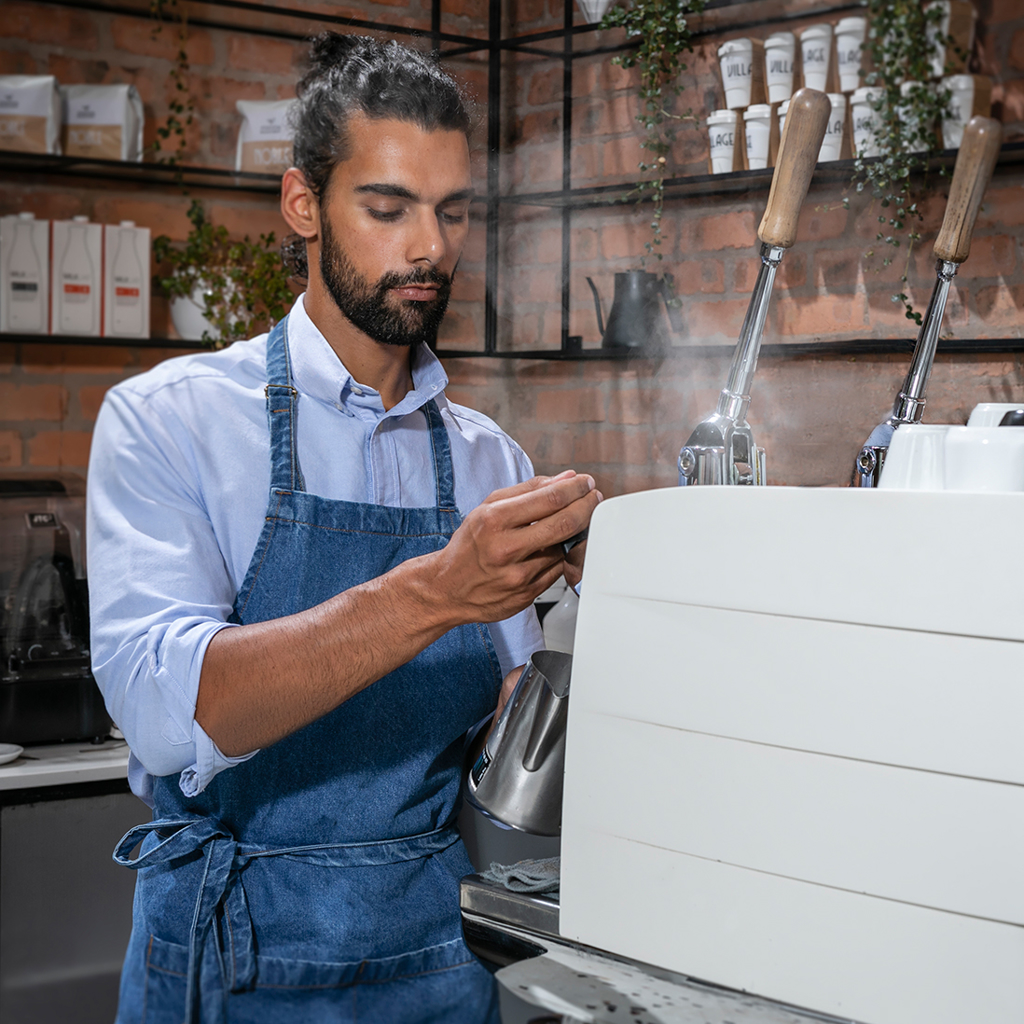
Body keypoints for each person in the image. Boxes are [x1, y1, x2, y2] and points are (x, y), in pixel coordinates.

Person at [87, 33, 600, 1024]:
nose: (430, 247)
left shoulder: (489, 459)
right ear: (303, 204)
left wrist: (609, 621)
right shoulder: (169, 419)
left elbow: (507, 738)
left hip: (440, 959)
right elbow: (162, 707)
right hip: (234, 960)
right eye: (388, 207)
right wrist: (436, 592)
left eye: (452, 211)